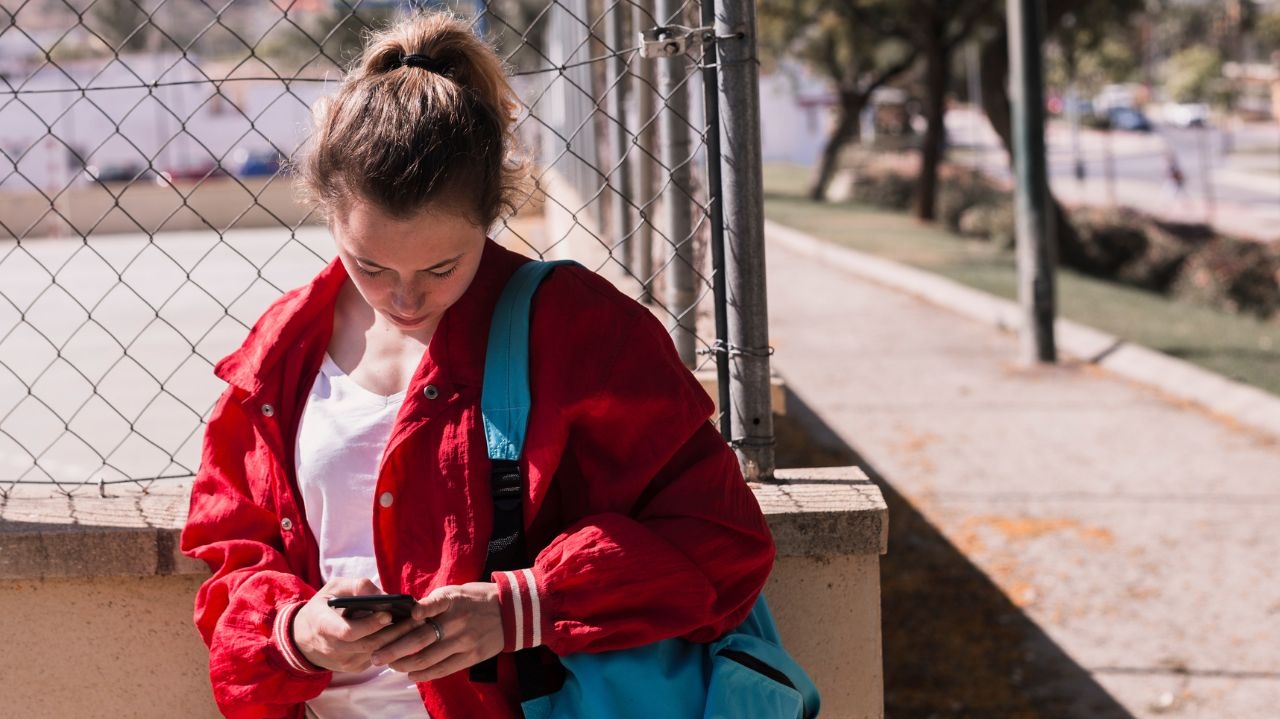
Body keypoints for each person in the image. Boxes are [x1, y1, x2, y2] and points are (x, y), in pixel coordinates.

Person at [180, 11, 775, 719]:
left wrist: (523, 607)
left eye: (441, 266)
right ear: (328, 210)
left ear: (493, 210)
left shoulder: (577, 328)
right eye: (368, 265)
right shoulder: (281, 352)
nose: (404, 297)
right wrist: (298, 631)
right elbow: (233, 547)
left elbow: (723, 538)